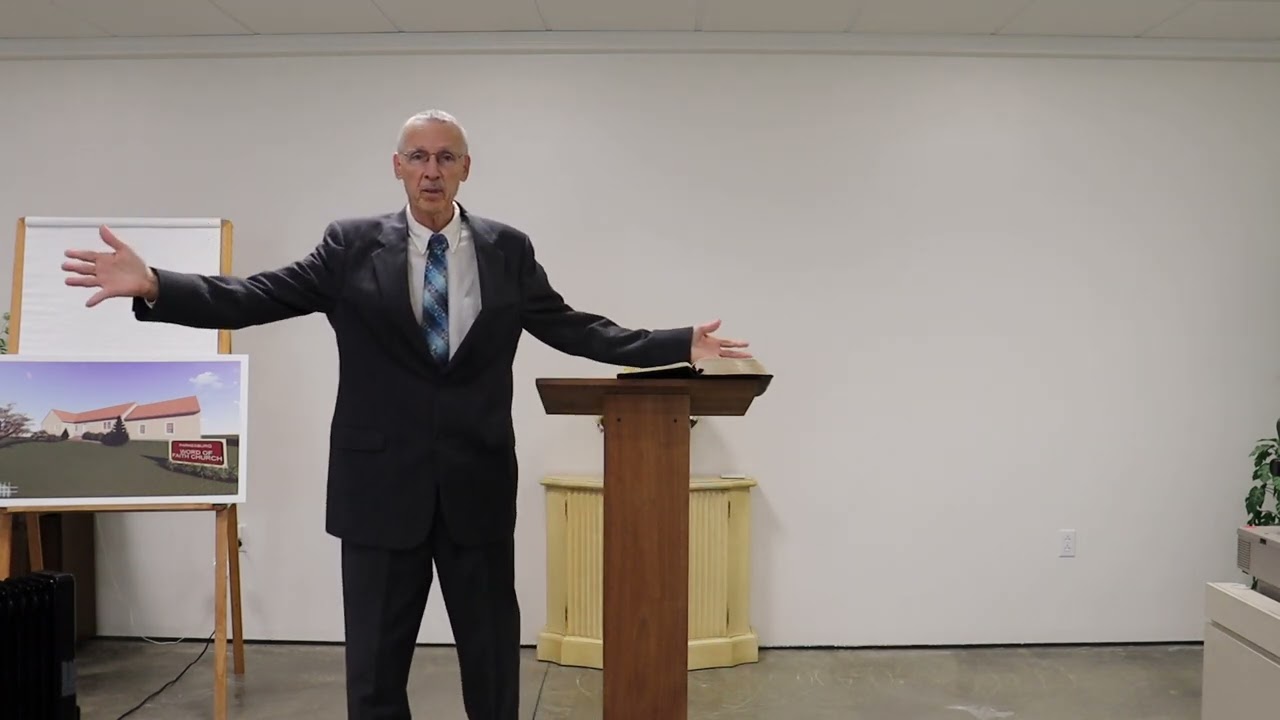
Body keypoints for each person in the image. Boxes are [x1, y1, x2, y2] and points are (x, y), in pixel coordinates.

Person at [60, 109, 751, 720]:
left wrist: (675, 344)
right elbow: (255, 296)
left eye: (446, 157)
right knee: (374, 674)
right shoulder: (350, 245)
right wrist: (156, 285)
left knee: (492, 666)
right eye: (418, 157)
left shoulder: (507, 249)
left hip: (477, 485)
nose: (431, 170)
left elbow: (573, 327)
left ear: (466, 168)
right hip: (378, 490)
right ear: (397, 166)